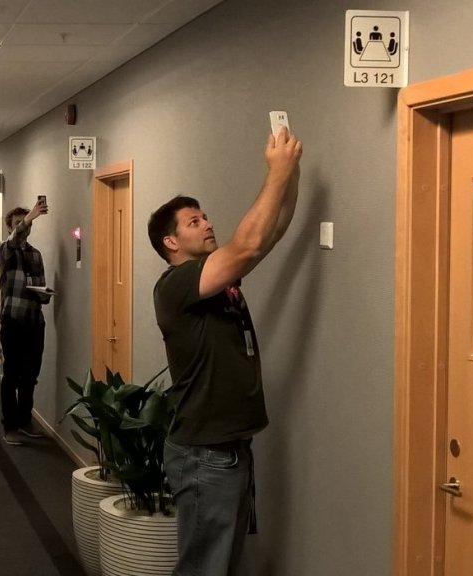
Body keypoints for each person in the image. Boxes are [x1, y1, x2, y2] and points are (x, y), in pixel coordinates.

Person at [147, 126, 302, 575]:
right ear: (171, 243)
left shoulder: (218, 280)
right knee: (203, 568)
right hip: (204, 454)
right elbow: (248, 243)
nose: (208, 223)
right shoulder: (177, 285)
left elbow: (270, 233)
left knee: (221, 565)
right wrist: (274, 173)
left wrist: (291, 175)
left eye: (205, 216)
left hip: (229, 448)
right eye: (194, 222)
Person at [0, 197, 53, 446]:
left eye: (26, 222)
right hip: (13, 322)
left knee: (31, 376)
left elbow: (39, 288)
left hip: (34, 322)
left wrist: (44, 294)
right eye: (18, 223)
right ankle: (10, 427)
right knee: (11, 376)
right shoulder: (4, 251)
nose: (24, 226)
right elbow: (15, 240)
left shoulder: (36, 254)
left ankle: (24, 420)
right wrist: (30, 216)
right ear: (10, 227)